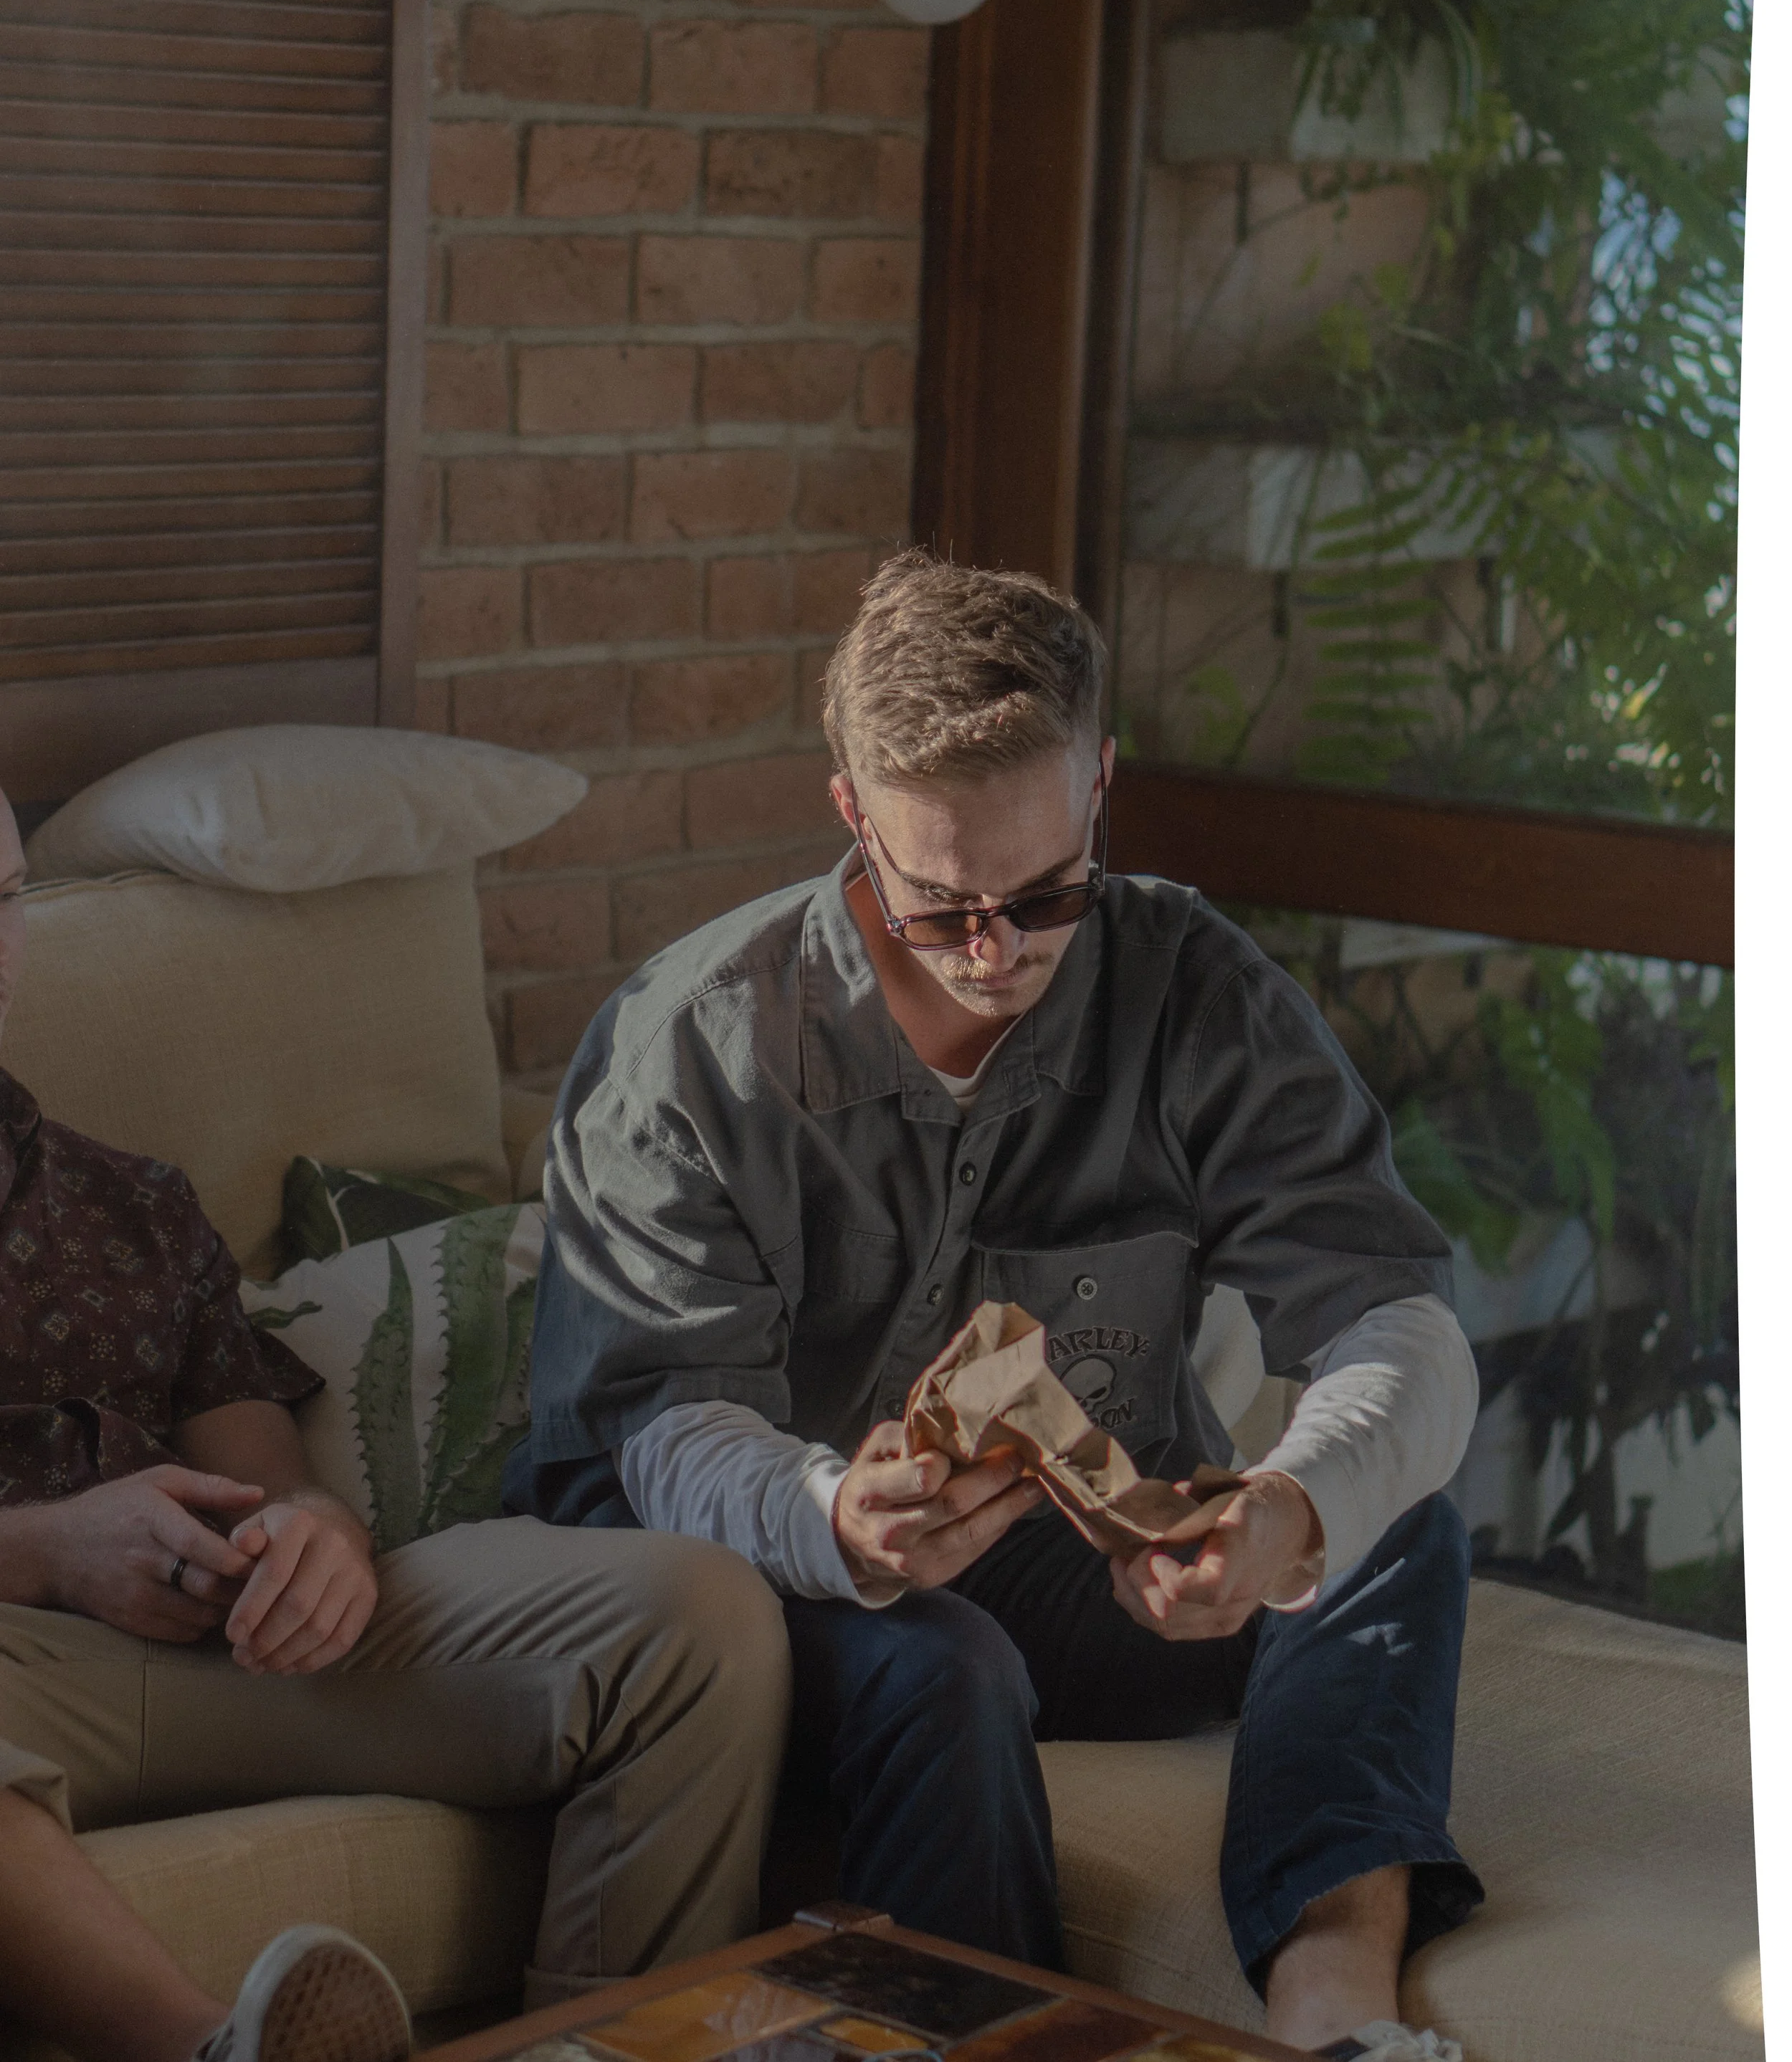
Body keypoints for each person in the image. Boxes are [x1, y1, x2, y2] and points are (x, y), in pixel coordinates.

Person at [510, 552, 1485, 2062]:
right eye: (939, 904)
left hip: (1046, 1556)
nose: (994, 952)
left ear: (1097, 783)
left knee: (1384, 1521)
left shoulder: (1194, 992)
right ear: (851, 810)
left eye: (1042, 896)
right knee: (945, 1665)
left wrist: (1288, 1507)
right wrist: (834, 1513)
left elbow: (1398, 1329)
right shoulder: (694, 1049)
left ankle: (1333, 2007)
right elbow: (654, 1430)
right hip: (721, 1562)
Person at [0, 788, 791, 2062]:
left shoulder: (131, 1203)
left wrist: (318, 1541)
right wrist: (51, 1547)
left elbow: (267, 1477)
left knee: (700, 1618)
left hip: (223, 1646)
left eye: (2, 900)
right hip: (22, 1668)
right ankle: (217, 2052)